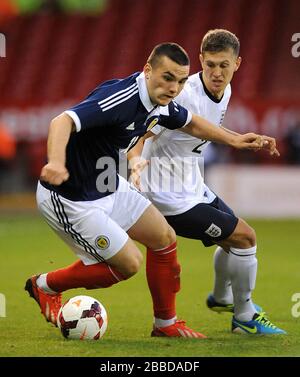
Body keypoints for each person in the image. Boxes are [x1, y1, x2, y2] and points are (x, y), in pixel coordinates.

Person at [25, 42, 270, 339]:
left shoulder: (163, 101)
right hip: (70, 196)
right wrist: (56, 162)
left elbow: (191, 123)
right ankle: (45, 285)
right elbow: (62, 120)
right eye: (167, 78)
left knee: (164, 238)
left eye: (181, 80)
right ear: (147, 70)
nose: (174, 87)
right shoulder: (120, 98)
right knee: (128, 265)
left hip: (108, 185)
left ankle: (165, 324)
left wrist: (234, 140)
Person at [129, 31, 286, 335]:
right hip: (166, 196)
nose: (216, 73)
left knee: (234, 241)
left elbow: (205, 129)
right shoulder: (183, 93)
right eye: (210, 65)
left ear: (237, 64)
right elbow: (141, 134)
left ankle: (221, 298)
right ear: (200, 59)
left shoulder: (223, 92)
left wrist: (243, 139)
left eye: (224, 66)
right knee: (245, 238)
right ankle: (244, 317)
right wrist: (135, 162)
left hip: (193, 187)